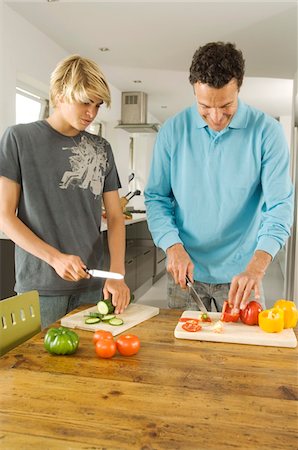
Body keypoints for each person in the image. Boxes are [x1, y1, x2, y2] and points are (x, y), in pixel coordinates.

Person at [144, 42, 294, 313]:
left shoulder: (267, 133)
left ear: (239, 88)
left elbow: (280, 206)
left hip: (243, 275)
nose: (215, 117)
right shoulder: (172, 131)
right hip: (185, 271)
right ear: (194, 91)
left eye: (226, 105)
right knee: (183, 353)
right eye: (205, 106)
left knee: (239, 354)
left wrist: (257, 267)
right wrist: (172, 246)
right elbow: (156, 197)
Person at [0, 54, 130, 328]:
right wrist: (55, 259)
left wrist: (117, 274)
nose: (91, 113)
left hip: (92, 287)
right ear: (59, 94)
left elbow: (116, 217)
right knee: (36, 370)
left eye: (97, 105)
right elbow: (5, 217)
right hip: (39, 289)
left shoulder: (101, 148)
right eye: (85, 102)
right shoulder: (18, 139)